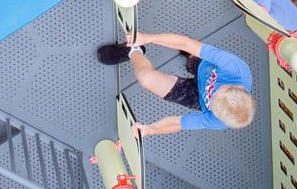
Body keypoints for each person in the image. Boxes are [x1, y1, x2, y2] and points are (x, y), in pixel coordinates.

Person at [97, 31, 256, 134]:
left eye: (212, 101)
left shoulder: (220, 120)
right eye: (216, 91)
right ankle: (189, 58)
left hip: (196, 97)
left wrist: (149, 130)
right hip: (205, 67)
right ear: (234, 86)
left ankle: (133, 50)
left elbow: (178, 123)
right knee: (190, 53)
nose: (212, 91)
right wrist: (147, 38)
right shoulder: (235, 69)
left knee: (146, 79)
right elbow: (187, 43)